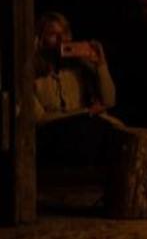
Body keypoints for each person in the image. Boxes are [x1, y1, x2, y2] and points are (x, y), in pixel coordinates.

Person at [29, 13, 122, 169]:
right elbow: (39, 119)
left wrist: (101, 65)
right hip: (53, 136)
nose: (61, 39)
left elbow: (109, 101)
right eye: (53, 34)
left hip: (84, 133)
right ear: (40, 39)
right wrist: (85, 112)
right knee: (88, 129)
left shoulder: (78, 68)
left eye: (64, 33)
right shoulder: (32, 76)